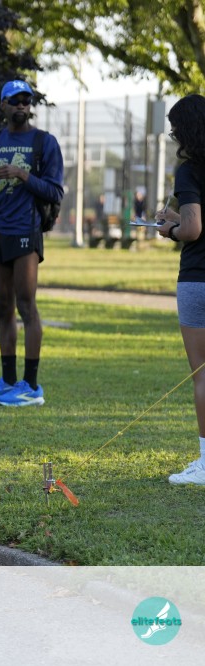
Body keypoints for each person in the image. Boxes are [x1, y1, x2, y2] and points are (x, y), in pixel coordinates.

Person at [0, 80, 64, 407]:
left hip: (27, 230)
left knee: (27, 306)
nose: (22, 105)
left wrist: (22, 174)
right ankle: (8, 381)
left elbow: (55, 191)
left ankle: (31, 386)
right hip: (0, 230)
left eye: (26, 100)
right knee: (1, 307)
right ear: (3, 106)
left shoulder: (44, 142)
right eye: (15, 101)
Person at [154, 94, 205, 485]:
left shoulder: (189, 171)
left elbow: (192, 229)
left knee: (202, 375)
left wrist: (170, 228)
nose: (174, 138)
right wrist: (177, 217)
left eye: (175, 130)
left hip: (197, 279)